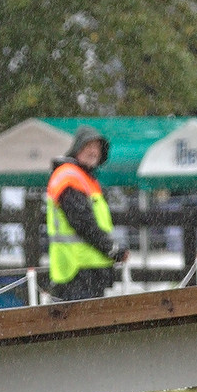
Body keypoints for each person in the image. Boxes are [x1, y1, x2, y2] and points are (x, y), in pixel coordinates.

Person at [46, 125, 123, 301]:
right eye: (88, 146)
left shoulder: (84, 178)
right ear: (77, 149)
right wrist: (112, 249)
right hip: (77, 272)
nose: (93, 151)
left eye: (96, 147)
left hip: (85, 271)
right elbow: (83, 223)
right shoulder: (70, 177)